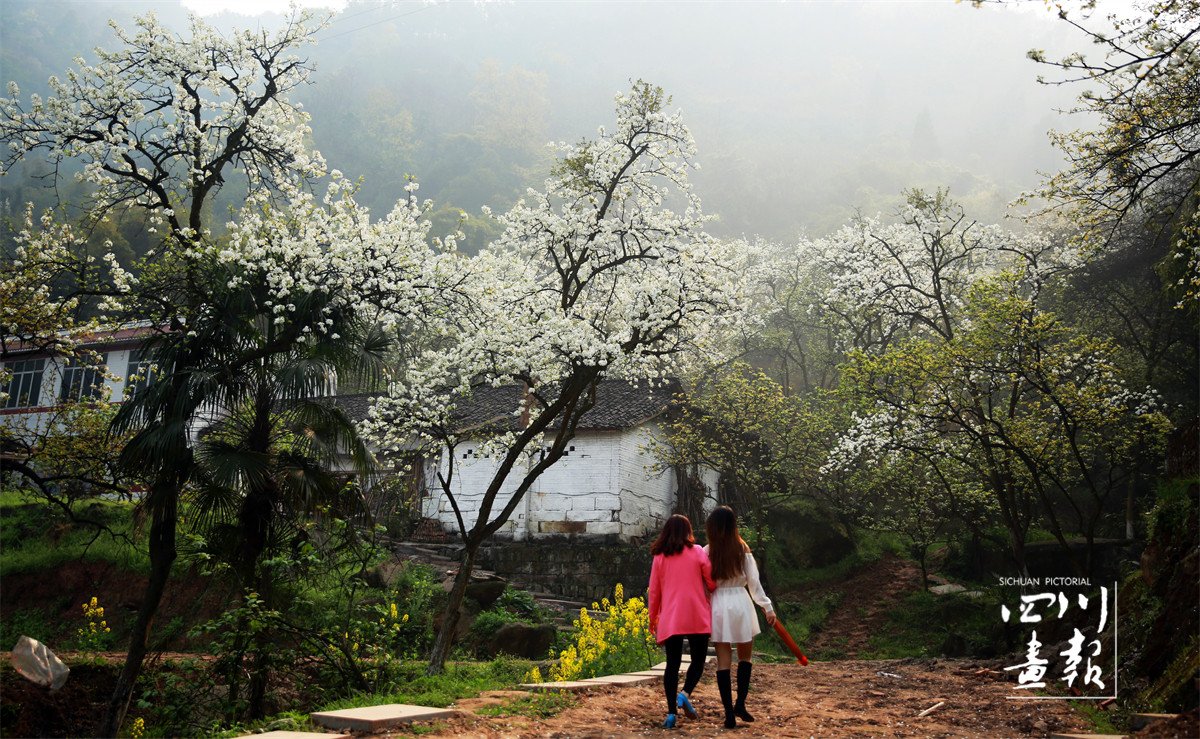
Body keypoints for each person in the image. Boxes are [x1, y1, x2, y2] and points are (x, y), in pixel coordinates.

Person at [704, 505, 776, 729]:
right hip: (741, 602)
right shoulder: (742, 548)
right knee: (745, 657)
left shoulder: (707, 551)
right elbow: (754, 584)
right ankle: (740, 704)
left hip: (718, 604)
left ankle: (728, 713)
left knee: (723, 661)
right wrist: (767, 607)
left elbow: (703, 586)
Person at [647, 514, 716, 729]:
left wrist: (652, 618)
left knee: (672, 665)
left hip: (672, 617)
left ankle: (671, 714)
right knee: (698, 660)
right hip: (696, 614)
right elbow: (712, 583)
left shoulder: (659, 557)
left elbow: (654, 591)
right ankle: (684, 693)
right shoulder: (697, 552)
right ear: (688, 531)